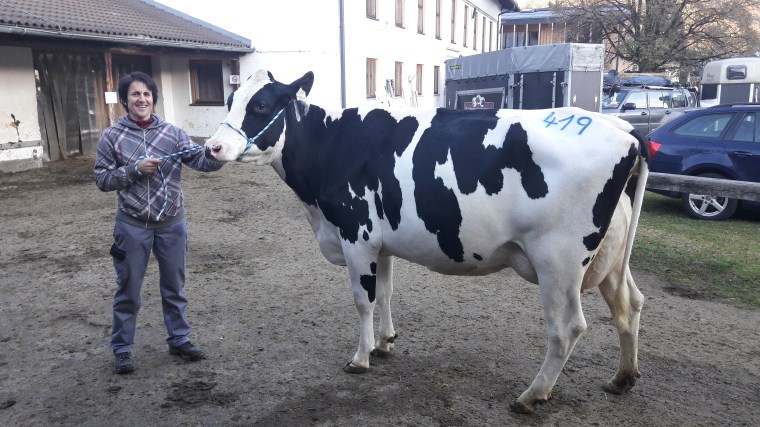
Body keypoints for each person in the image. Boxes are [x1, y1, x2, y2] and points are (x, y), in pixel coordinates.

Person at [94, 71, 224, 374]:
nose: (142, 99)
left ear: (154, 99)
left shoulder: (172, 133)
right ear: (125, 100)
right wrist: (134, 170)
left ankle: (179, 339)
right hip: (132, 225)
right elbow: (102, 179)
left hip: (171, 224)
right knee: (128, 289)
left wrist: (220, 153)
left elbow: (200, 161)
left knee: (174, 286)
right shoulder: (111, 136)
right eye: (135, 94)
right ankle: (122, 348)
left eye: (147, 94)